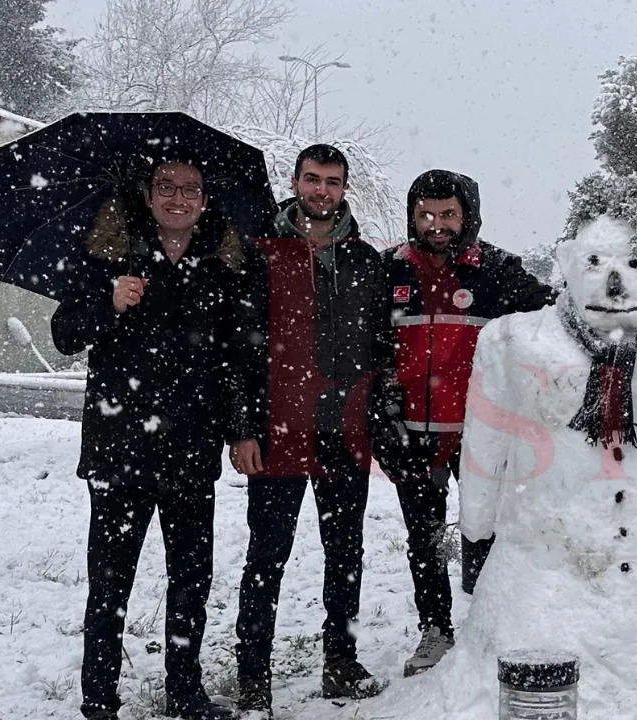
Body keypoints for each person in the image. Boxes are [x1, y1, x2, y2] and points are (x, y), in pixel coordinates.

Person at [53, 159, 267, 720]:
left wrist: (242, 429)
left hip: (192, 449)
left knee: (192, 578)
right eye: (167, 188)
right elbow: (64, 335)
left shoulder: (223, 262)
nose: (179, 198)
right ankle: (99, 699)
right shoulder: (110, 253)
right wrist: (109, 302)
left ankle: (185, 691)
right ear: (147, 196)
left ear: (203, 199)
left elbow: (236, 356)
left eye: (190, 190)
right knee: (109, 581)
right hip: (119, 448)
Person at [372, 169, 555, 677]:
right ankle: (435, 629)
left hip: (481, 437)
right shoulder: (390, 271)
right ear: (412, 214)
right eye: (426, 214)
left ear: (468, 215)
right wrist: (383, 420)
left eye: (448, 214)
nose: (436, 225)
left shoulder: (497, 270)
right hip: (410, 435)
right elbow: (367, 349)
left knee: (488, 532)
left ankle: (493, 625)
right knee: (424, 537)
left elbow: (555, 319)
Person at [232, 145, 392, 715]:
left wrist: (376, 420)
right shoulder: (258, 255)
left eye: (332, 181)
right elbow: (241, 351)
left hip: (344, 432)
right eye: (312, 179)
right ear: (296, 181)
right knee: (266, 553)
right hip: (279, 430)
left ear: (345, 187)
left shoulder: (366, 261)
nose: (321, 190)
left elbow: (381, 348)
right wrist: (243, 429)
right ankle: (253, 673)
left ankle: (340, 664)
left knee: (346, 551)